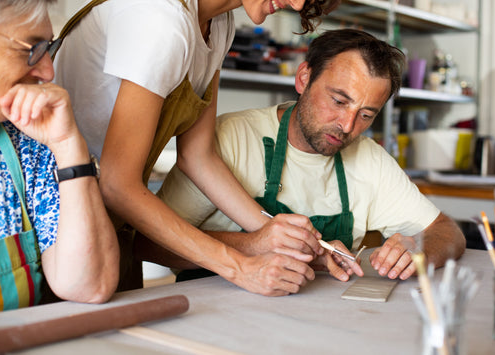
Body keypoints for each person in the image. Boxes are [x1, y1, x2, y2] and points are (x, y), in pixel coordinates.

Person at [53, 0, 339, 296]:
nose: (297, 3)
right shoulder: (161, 19)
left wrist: (272, 230)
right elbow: (117, 185)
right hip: (58, 226)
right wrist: (239, 267)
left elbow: (198, 156)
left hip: (107, 222)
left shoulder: (218, 24)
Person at [161, 29, 467, 282]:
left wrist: (418, 248)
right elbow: (149, 244)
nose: (347, 125)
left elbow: (447, 232)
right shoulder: (231, 138)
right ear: (304, 78)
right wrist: (251, 245)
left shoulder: (370, 160)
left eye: (365, 115)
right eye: (338, 101)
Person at [0, 0, 119, 312]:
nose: (48, 71)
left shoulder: (28, 150)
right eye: (30, 48)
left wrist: (67, 143)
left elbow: (91, 286)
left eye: (48, 48)